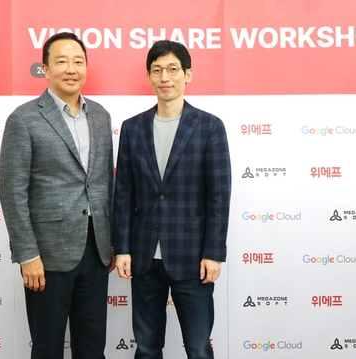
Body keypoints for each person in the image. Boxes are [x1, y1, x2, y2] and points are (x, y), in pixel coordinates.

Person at [0, 32, 115, 359]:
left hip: (96, 252)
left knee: (92, 350)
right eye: (61, 61)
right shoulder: (24, 119)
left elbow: (105, 181)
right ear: (45, 69)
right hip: (46, 258)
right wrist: (27, 255)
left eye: (78, 61)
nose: (71, 68)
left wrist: (112, 242)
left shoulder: (102, 116)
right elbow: (12, 191)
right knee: (48, 349)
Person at [113, 40, 231, 359]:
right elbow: (123, 193)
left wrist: (213, 253)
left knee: (197, 347)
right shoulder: (132, 128)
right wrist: (121, 248)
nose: (165, 76)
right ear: (149, 77)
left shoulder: (209, 127)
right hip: (144, 256)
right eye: (157, 70)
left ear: (187, 75)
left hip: (193, 258)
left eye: (173, 69)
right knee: (148, 347)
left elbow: (219, 197)